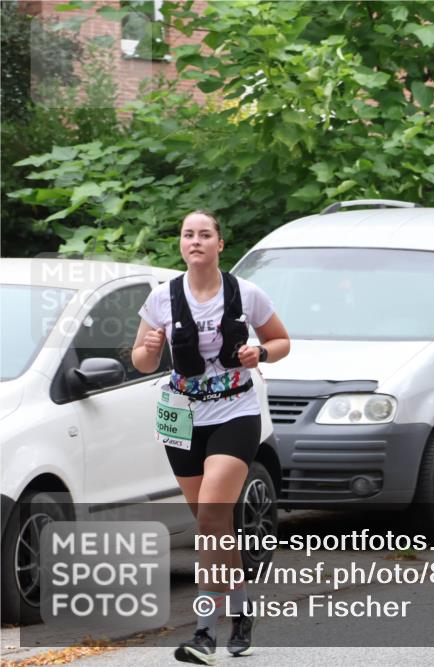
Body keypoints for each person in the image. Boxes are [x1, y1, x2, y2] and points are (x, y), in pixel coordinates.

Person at [132, 210, 290, 665]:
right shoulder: (161, 299)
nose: (195, 241)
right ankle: (242, 614)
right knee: (214, 524)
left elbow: (282, 342)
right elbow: (142, 360)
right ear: (180, 244)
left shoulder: (246, 293)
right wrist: (148, 350)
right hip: (180, 416)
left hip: (235, 411)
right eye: (188, 234)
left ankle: (204, 632)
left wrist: (259, 352)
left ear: (220, 244)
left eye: (205, 234)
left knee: (211, 520)